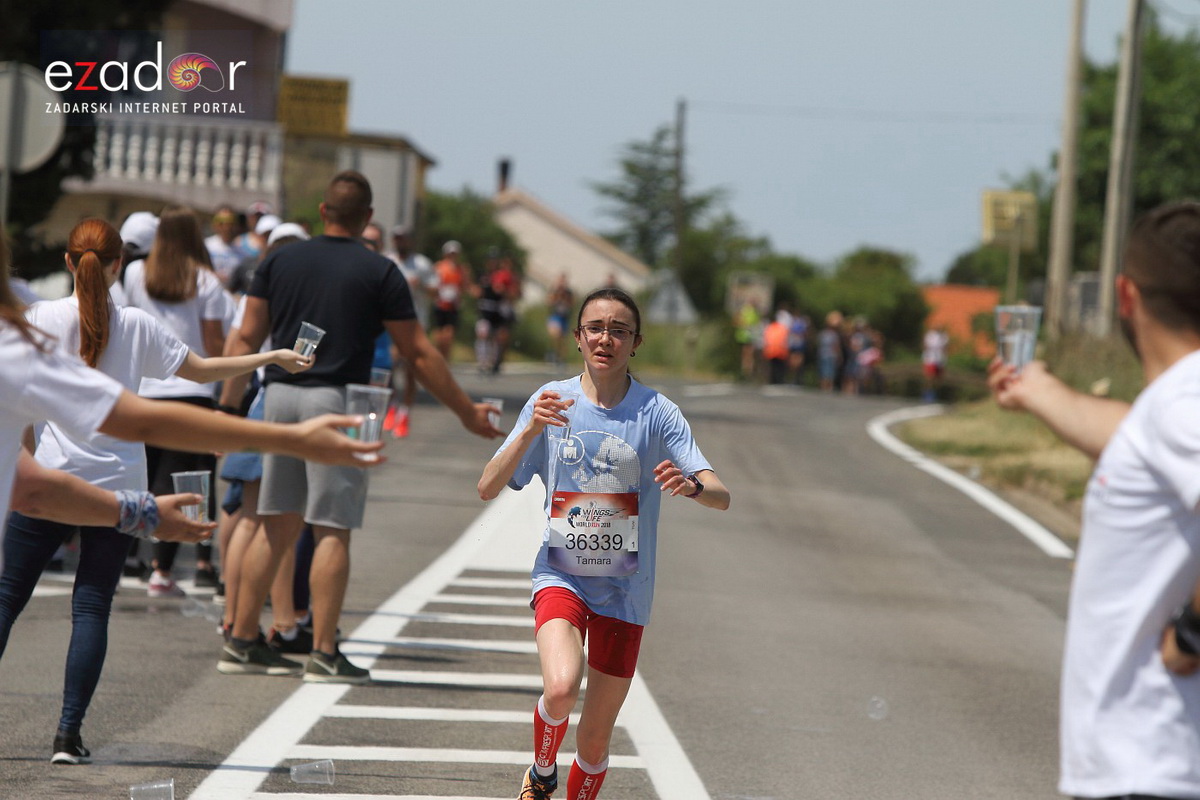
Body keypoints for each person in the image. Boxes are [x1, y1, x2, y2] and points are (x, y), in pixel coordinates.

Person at [0, 229, 381, 763]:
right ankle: (68, 736)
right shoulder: (133, 324)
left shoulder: (37, 321)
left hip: (50, 481)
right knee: (91, 609)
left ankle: (67, 733)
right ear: (119, 266)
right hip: (122, 489)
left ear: (68, 261)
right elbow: (202, 371)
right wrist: (270, 356)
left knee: (6, 601)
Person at [222, 170, 502, 682]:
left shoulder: (278, 259)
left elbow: (245, 337)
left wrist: (226, 411)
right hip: (339, 402)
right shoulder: (381, 271)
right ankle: (324, 652)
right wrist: (466, 412)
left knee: (275, 519)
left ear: (324, 212)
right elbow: (417, 352)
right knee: (331, 526)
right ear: (367, 218)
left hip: (279, 395)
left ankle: (240, 639)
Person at [477, 287, 731, 800]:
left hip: (626, 592)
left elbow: (721, 494)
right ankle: (542, 772)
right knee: (561, 686)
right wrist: (529, 429)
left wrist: (692, 486)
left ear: (636, 342)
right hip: (562, 574)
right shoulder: (551, 400)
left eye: (619, 330)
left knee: (594, 741)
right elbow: (487, 486)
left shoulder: (657, 412)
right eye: (595, 327)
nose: (606, 339)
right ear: (577, 337)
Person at [988, 201, 1200, 800]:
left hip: (1155, 763)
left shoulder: (1185, 398)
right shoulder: (1175, 406)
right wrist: (1038, 390)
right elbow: (1138, 438)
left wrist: (1192, 633)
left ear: (1126, 297)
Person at [124, 206, 235, 597]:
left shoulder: (136, 273)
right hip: (192, 391)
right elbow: (215, 344)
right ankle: (162, 570)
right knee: (179, 482)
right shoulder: (205, 279)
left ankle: (132, 556)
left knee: (142, 477)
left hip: (144, 389)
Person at [386, 225, 436, 437]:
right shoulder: (388, 260)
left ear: (410, 240)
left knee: (410, 371)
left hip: (415, 325)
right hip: (389, 322)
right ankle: (392, 406)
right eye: (397, 238)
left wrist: (421, 284)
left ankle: (405, 412)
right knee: (389, 366)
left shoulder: (422, 264)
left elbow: (436, 290)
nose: (400, 242)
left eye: (403, 238)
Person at [431, 239, 472, 361]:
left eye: (455, 254)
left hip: (453, 306)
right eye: (450, 254)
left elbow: (465, 287)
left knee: (449, 334)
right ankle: (437, 357)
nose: (452, 256)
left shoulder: (462, 269)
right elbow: (433, 285)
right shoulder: (439, 267)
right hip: (440, 304)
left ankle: (445, 359)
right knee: (439, 334)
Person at [203, 205, 243, 288]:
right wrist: (213, 275)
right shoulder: (206, 245)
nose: (226, 226)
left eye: (230, 221)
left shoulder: (242, 251)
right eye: (221, 222)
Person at [546, 272, 574, 366]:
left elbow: (571, 303)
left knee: (562, 338)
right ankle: (553, 353)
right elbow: (549, 302)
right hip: (555, 316)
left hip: (564, 317)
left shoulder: (568, 292)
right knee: (555, 335)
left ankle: (560, 357)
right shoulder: (554, 291)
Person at [922, 325, 949, 402]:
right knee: (930, 377)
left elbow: (946, 348)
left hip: (940, 360)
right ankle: (928, 394)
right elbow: (925, 345)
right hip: (930, 359)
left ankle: (936, 394)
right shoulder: (930, 335)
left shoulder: (944, 336)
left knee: (938, 378)